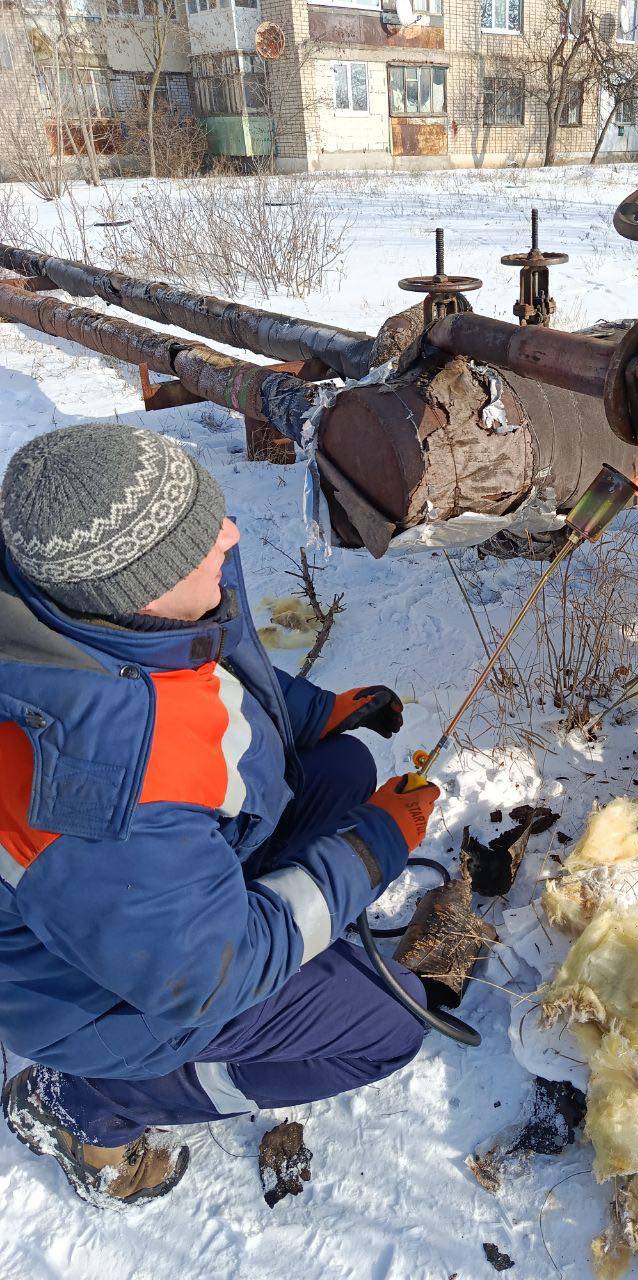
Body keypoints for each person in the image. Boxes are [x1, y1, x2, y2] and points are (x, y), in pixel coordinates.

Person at [0, 422, 440, 1208]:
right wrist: (374, 849)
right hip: (102, 996)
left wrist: (311, 712)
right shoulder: (92, 784)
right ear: (135, 591)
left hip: (147, 895)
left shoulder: (103, 600)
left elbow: (203, 675)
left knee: (342, 766)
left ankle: (286, 941)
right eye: (203, 539)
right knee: (386, 1029)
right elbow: (211, 974)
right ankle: (91, 1104)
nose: (231, 534)